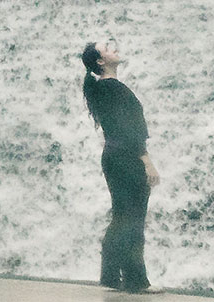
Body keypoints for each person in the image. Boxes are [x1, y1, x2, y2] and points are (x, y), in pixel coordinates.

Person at [81, 41, 164, 294]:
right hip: (126, 156)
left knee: (122, 216)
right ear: (100, 61)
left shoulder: (105, 89)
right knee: (133, 218)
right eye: (107, 47)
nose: (114, 48)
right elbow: (127, 128)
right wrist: (146, 159)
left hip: (115, 156)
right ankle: (136, 281)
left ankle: (111, 275)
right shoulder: (112, 89)